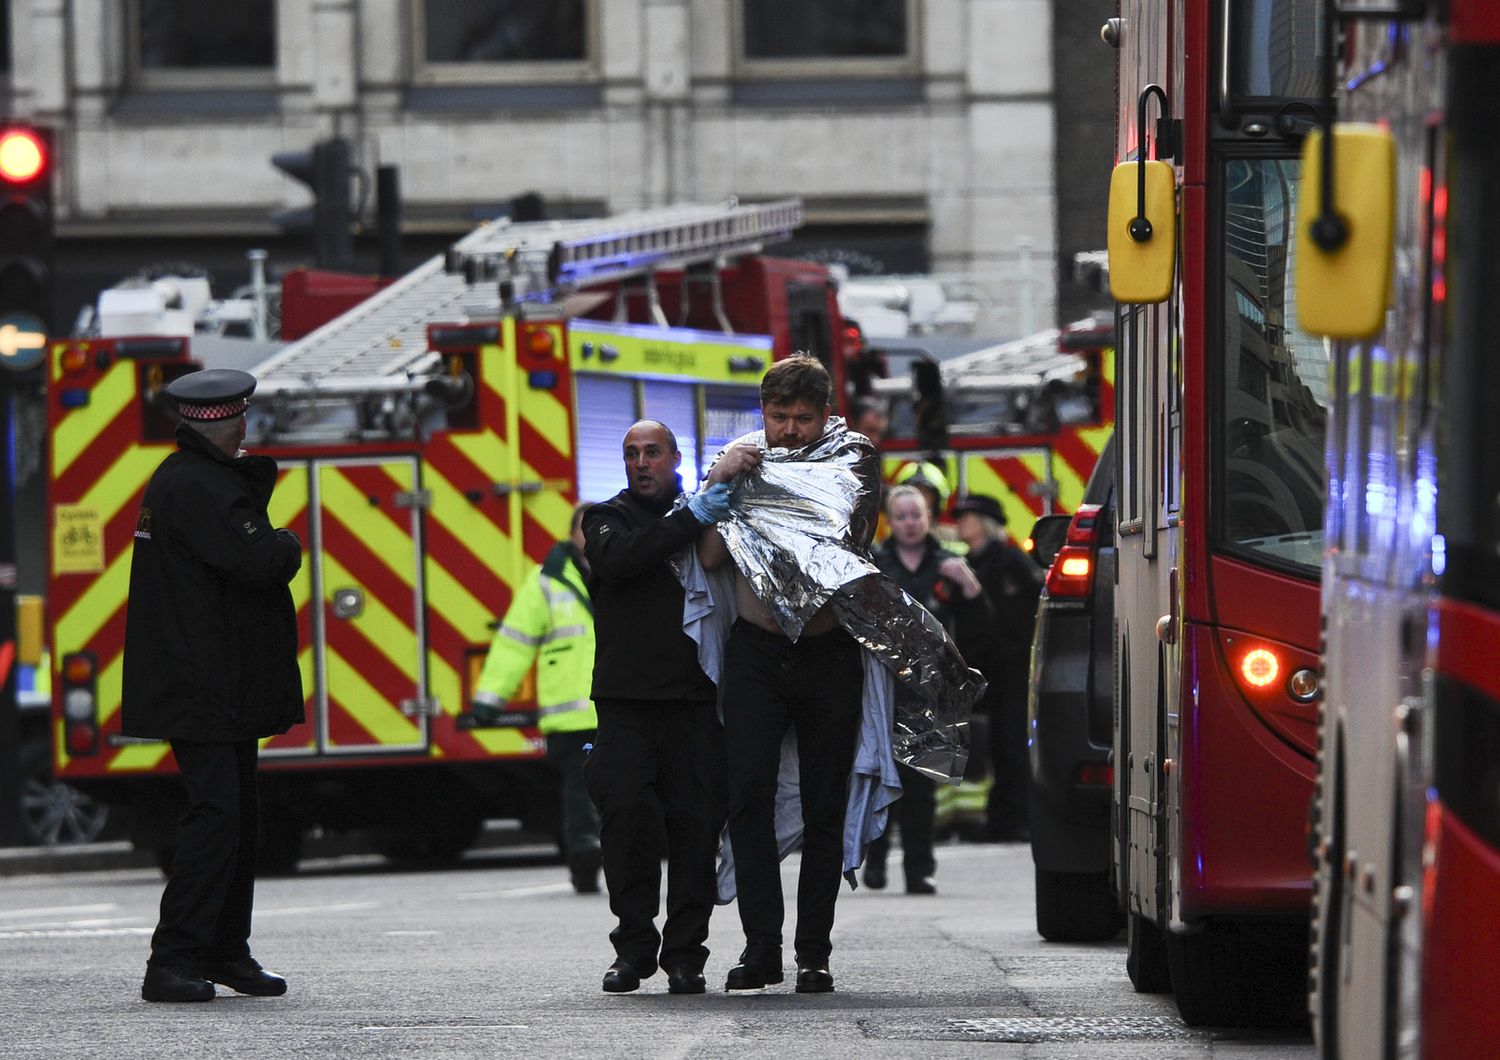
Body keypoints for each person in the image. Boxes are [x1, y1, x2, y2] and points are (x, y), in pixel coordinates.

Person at [699, 354, 881, 995]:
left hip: (827, 653)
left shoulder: (853, 461)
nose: (791, 430)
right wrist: (720, 481)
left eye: (804, 418)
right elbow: (711, 554)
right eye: (780, 417)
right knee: (746, 796)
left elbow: (844, 542)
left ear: (825, 414)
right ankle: (760, 948)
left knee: (823, 805)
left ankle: (814, 953)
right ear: (763, 414)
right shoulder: (739, 460)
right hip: (757, 652)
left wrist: (779, 494)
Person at [121, 368, 304, 1004]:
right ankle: (173, 960)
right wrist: (288, 543)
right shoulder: (203, 486)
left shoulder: (181, 479)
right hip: (204, 684)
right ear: (234, 421)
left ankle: (227, 951)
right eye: (242, 418)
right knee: (217, 818)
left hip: (210, 682)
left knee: (237, 816)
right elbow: (261, 560)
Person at [581, 420, 733, 995]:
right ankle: (633, 947)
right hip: (625, 705)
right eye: (631, 454)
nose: (641, 462)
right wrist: (691, 520)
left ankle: (686, 955)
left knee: (696, 830)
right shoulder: (605, 518)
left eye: (652, 452)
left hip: (694, 702)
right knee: (625, 818)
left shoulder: (705, 515)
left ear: (674, 458)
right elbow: (620, 560)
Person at [472, 502, 602, 894]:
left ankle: (608, 853)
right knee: (582, 790)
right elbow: (516, 641)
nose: (592, 536)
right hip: (572, 713)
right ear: (570, 535)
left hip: (617, 706)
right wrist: (490, 699)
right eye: (586, 528)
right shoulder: (546, 581)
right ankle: (584, 855)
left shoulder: (624, 568)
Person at [865, 484, 988, 893]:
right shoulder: (875, 563)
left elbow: (982, 629)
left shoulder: (946, 563)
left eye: (916, 515)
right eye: (901, 516)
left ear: (928, 518)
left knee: (920, 783)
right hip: (884, 686)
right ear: (890, 521)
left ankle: (919, 869)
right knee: (882, 778)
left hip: (930, 691)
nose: (910, 523)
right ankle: (876, 861)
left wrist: (969, 586)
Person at [952, 493, 1043, 841]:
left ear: (985, 524)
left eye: (968, 517)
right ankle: (994, 817)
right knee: (985, 749)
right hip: (978, 671)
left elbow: (1029, 612)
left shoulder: (1009, 562)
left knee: (1011, 746)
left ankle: (1014, 818)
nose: (961, 523)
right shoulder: (965, 564)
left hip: (1012, 671)